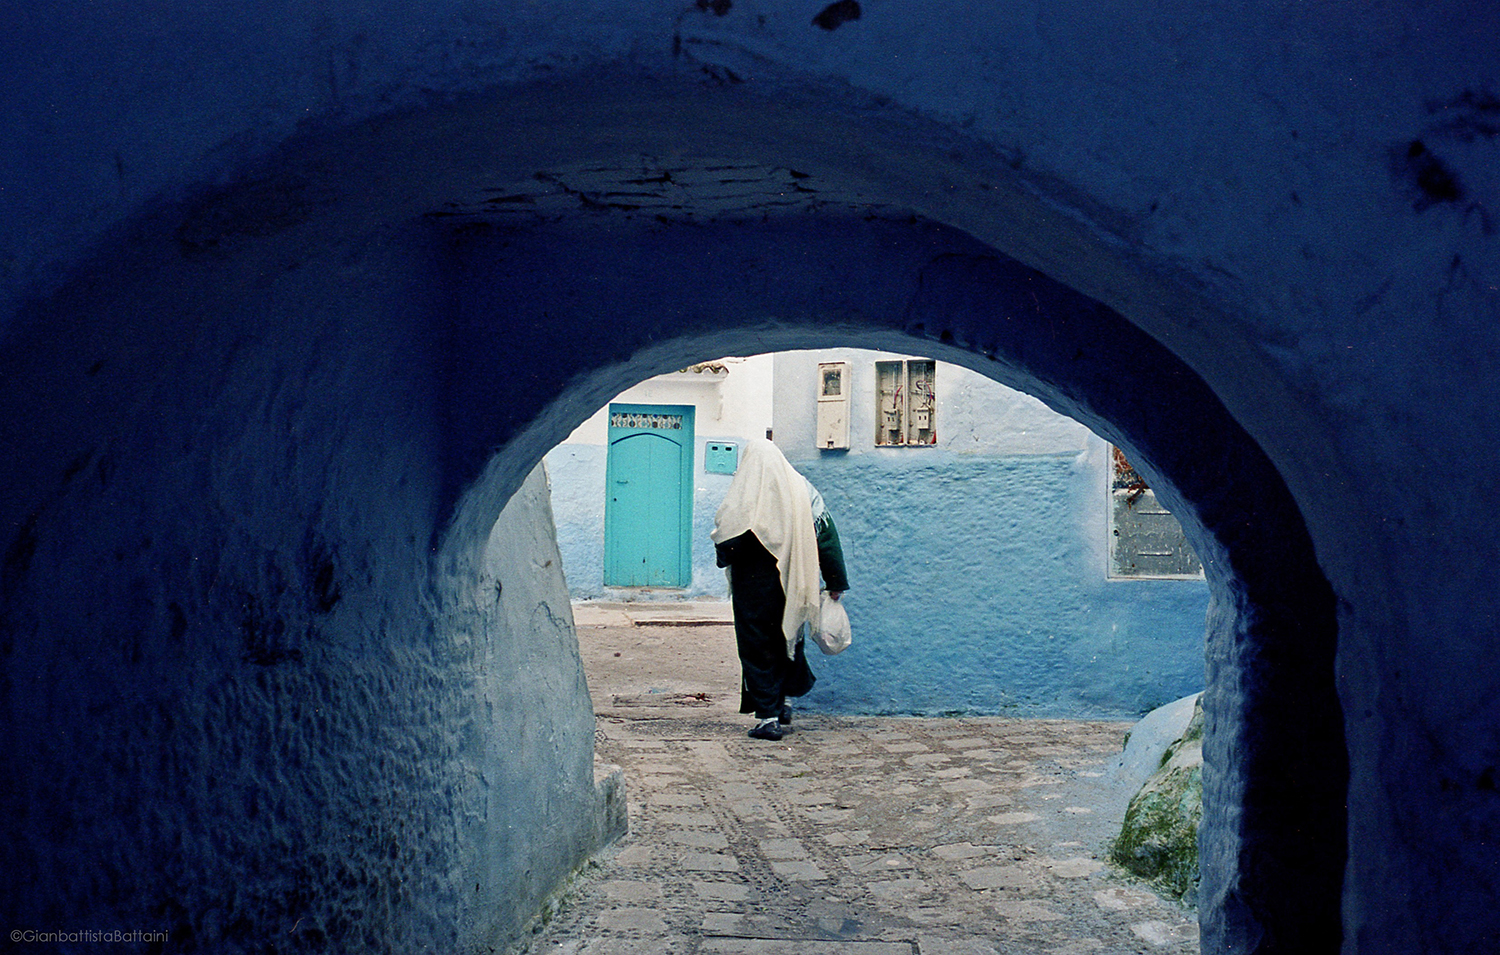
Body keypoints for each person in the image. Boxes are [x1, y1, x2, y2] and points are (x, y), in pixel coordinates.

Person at [710, 438, 849, 741]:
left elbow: (725, 537)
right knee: (789, 638)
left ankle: (767, 718)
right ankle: (784, 702)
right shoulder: (802, 490)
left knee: (757, 645)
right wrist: (835, 581)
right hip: (795, 580)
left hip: (753, 587)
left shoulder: (743, 493)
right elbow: (826, 535)